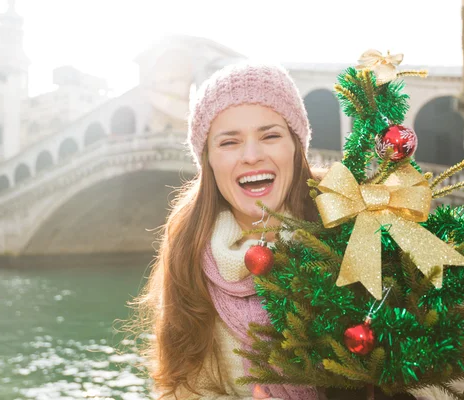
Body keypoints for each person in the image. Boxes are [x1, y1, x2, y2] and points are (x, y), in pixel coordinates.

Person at [127, 61, 322, 400]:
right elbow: (179, 388)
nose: (251, 156)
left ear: (296, 147)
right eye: (229, 142)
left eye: (270, 136)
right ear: (209, 161)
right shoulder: (189, 250)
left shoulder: (352, 231)